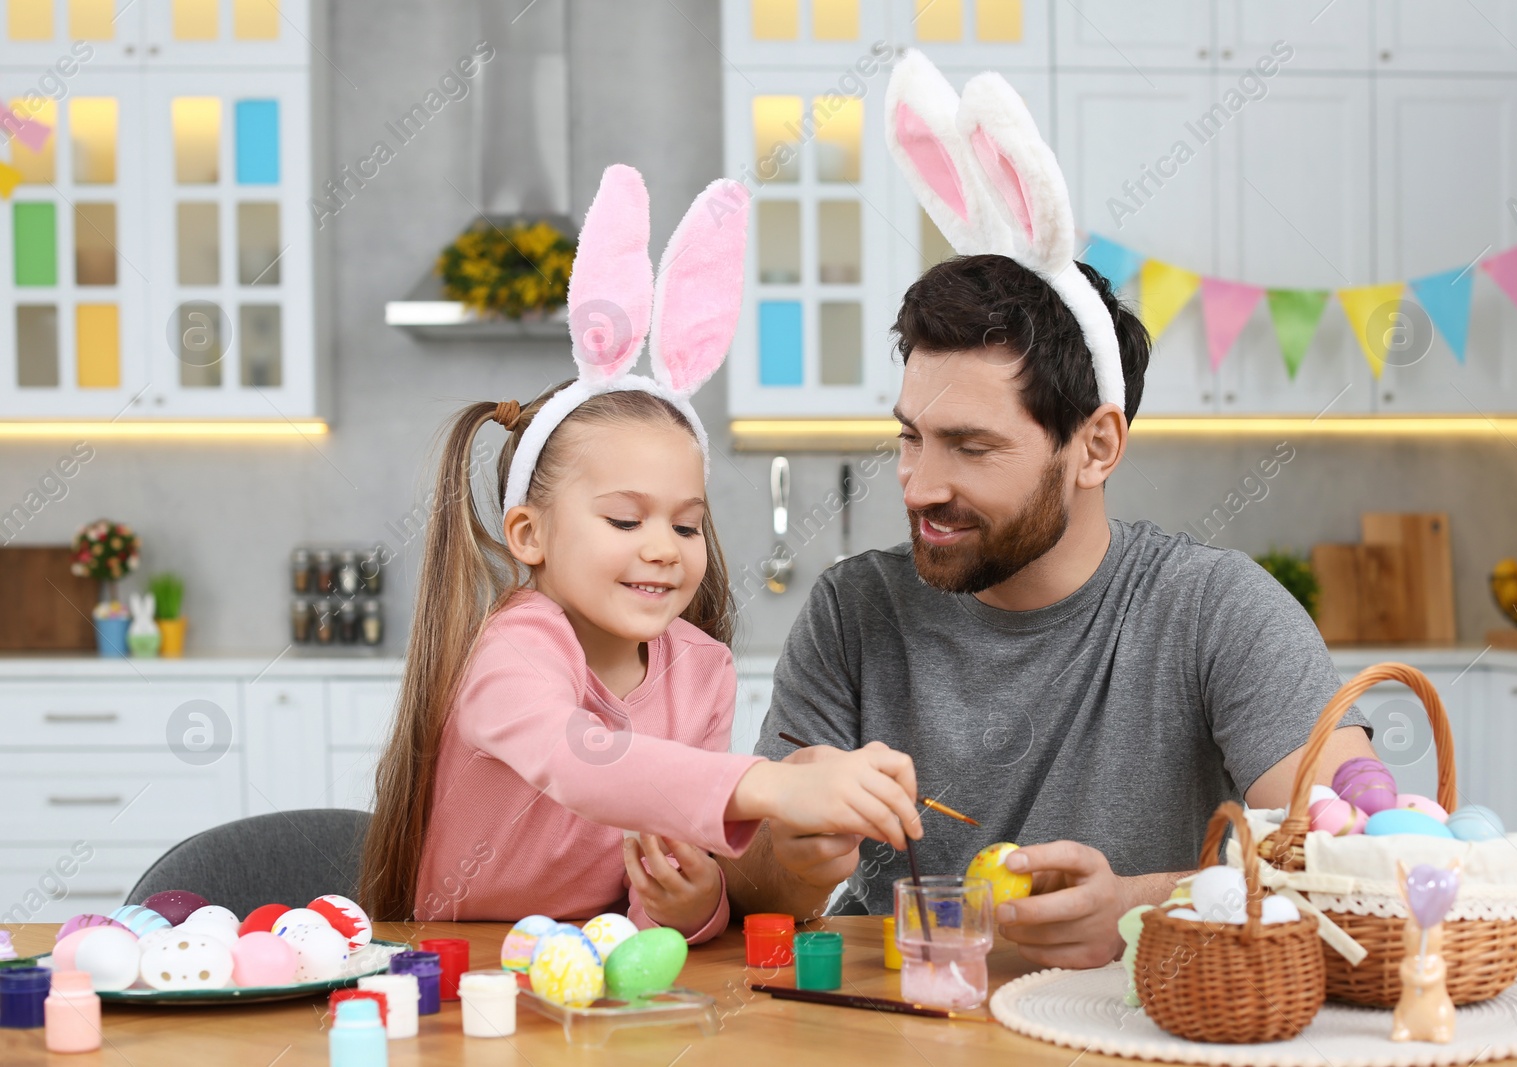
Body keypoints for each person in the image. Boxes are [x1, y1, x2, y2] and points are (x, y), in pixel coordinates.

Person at [723, 53, 1376, 968]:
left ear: (1096, 447)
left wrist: (1147, 906)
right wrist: (792, 852)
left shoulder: (1218, 611)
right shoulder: (853, 614)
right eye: (911, 436)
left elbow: (1349, 857)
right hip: (904, 1022)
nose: (916, 484)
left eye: (971, 446)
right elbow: (746, 892)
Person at [358, 166, 921, 942]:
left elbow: (667, 887)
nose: (663, 548)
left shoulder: (701, 673)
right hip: (465, 979)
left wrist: (687, 904)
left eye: (686, 526)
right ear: (530, 535)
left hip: (606, 986)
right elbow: (583, 758)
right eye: (625, 520)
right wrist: (771, 788)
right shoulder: (514, 651)